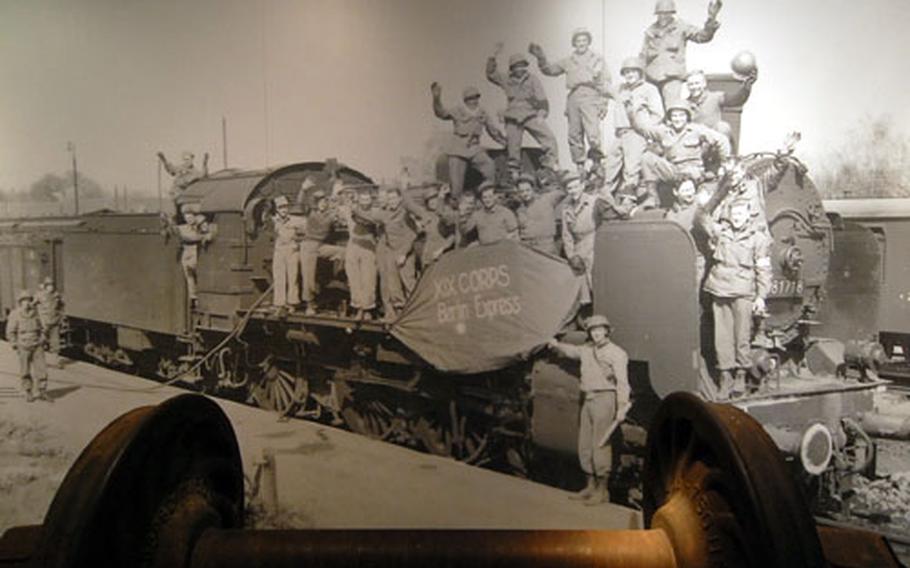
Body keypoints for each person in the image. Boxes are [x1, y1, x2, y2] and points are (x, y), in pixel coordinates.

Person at [548, 315, 630, 505]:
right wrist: (555, 344)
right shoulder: (587, 350)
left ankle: (602, 492)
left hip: (605, 399)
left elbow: (623, 383)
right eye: (593, 331)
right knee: (585, 445)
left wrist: (622, 407)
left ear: (607, 331)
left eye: (600, 330)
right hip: (588, 399)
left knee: (600, 445)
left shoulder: (617, 354)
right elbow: (572, 351)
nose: (596, 334)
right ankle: (590, 487)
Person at [698, 198, 772, 399]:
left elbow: (763, 269)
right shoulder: (721, 232)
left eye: (741, 214)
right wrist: (721, 192)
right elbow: (701, 216)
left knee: (741, 336)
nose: (737, 218)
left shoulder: (758, 239)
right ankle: (725, 378)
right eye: (734, 214)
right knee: (722, 338)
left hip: (743, 292)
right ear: (729, 215)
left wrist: (761, 296)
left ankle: (740, 375)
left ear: (748, 215)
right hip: (720, 289)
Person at [529, 27, 611, 176]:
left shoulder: (597, 59)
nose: (581, 43)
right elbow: (549, 70)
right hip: (573, 96)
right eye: (578, 40)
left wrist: (604, 103)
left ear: (588, 41)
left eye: (584, 40)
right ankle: (580, 166)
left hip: (590, 95)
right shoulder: (568, 61)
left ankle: (597, 164)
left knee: (593, 133)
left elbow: (606, 82)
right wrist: (540, 57)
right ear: (574, 43)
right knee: (574, 134)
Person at [632, 100, 731, 208]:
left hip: (692, 171)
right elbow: (643, 130)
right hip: (674, 169)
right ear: (670, 118)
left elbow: (722, 140)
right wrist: (630, 110)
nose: (677, 119)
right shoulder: (664, 131)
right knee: (647, 157)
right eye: (674, 116)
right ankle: (652, 197)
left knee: (688, 176)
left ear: (687, 117)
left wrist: (724, 164)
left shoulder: (696, 130)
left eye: (681, 115)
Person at [486, 44, 560, 181]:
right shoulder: (506, 79)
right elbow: (491, 74)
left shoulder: (532, 79)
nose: (519, 69)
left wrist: (542, 113)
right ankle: (514, 173)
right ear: (512, 68)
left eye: (522, 65)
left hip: (530, 114)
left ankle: (550, 168)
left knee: (549, 138)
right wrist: (493, 56)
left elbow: (542, 98)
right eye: (516, 66)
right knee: (513, 146)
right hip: (513, 116)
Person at [352, 187, 419, 321]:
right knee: (392, 283)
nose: (391, 201)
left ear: (400, 198)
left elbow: (412, 234)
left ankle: (416, 314)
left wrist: (404, 254)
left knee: (409, 283)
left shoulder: (405, 213)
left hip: (404, 252)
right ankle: (398, 312)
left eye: (394, 198)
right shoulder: (385, 214)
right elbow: (368, 216)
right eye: (389, 199)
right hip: (391, 251)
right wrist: (354, 206)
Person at [431, 82, 507, 198]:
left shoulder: (482, 112)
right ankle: (455, 205)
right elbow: (441, 113)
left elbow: (492, 130)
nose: (474, 101)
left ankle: (488, 194)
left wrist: (504, 142)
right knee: (456, 186)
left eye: (476, 98)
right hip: (457, 150)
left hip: (474, 148)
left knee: (489, 165)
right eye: (470, 99)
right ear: (465, 100)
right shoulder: (457, 110)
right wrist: (436, 99)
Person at [602, 56, 664, 198]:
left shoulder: (649, 89)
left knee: (631, 168)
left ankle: (628, 199)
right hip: (620, 133)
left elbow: (658, 114)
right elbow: (602, 88)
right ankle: (606, 197)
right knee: (611, 165)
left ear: (640, 72)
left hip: (636, 133)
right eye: (626, 72)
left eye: (633, 71)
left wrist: (646, 130)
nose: (629, 75)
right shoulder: (620, 89)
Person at [640, 0, 723, 103]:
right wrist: (640, 78)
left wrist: (711, 18)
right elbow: (643, 55)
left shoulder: (682, 27)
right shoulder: (651, 30)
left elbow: (702, 37)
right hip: (651, 78)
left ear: (672, 13)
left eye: (667, 13)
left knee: (673, 108)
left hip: (671, 77)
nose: (663, 16)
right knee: (652, 109)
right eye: (660, 13)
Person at [300, 190, 346, 316]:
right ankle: (309, 304)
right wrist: (304, 190)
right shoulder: (311, 213)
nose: (323, 205)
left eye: (325, 202)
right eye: (320, 202)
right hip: (308, 245)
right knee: (308, 277)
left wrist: (339, 210)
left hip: (321, 246)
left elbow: (341, 221)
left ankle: (341, 279)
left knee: (344, 252)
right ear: (316, 204)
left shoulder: (330, 216)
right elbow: (301, 203)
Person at [684, 69, 756, 142]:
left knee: (723, 127)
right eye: (691, 84)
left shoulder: (716, 97)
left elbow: (736, 100)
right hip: (695, 144)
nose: (694, 87)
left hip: (714, 142)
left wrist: (747, 85)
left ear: (704, 84)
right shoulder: (684, 104)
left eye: (697, 83)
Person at [561, 172, 599, 304]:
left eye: (576, 187)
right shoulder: (566, 208)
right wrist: (571, 256)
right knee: (582, 290)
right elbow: (566, 235)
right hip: (579, 249)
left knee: (596, 282)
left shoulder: (594, 202)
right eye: (569, 188)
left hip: (595, 245)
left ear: (582, 186)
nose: (573, 191)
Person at [342, 190, 380, 321]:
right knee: (354, 279)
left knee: (369, 279)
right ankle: (358, 307)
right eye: (362, 200)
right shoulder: (349, 210)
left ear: (371, 201)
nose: (364, 203)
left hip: (368, 245)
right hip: (353, 245)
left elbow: (368, 221)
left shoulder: (374, 212)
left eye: (367, 200)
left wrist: (353, 209)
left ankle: (368, 308)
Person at [7, 291, 49, 403]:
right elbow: (10, 331)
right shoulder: (15, 314)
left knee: (41, 369)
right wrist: (14, 344)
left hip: (37, 345)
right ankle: (28, 392)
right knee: (25, 371)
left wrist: (42, 339)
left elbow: (43, 328)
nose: (27, 303)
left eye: (29, 300)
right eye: (24, 301)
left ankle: (42, 391)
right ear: (20, 303)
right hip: (23, 345)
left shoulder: (36, 313)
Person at [271, 195, 306, 316]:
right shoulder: (274, 221)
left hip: (292, 251)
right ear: (277, 209)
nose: (284, 210)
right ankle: (279, 304)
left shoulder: (297, 220)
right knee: (279, 277)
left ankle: (292, 303)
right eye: (281, 208)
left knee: (293, 277)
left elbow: (307, 231)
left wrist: (299, 242)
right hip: (279, 251)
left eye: (285, 207)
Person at [514, 173, 565, 255]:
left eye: (528, 190)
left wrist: (546, 188)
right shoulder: (519, 210)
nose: (525, 194)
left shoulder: (546, 199)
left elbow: (563, 192)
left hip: (546, 247)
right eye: (522, 191)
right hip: (528, 249)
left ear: (533, 189)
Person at [174, 203, 215, 304]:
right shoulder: (183, 228)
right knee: (189, 275)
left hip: (197, 252)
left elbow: (208, 233)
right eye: (186, 217)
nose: (189, 219)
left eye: (190, 217)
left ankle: (198, 295)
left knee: (196, 272)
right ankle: (193, 296)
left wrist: (204, 236)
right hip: (187, 252)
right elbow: (184, 236)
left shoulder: (200, 223)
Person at [35, 277, 64, 367]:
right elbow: (32, 305)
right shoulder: (40, 295)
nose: (50, 287)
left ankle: (55, 362)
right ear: (45, 286)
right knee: (41, 342)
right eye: (49, 285)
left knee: (55, 343)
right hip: (44, 323)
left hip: (54, 322)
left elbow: (61, 306)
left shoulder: (56, 295)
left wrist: (60, 317)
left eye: (52, 285)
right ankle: (39, 360)